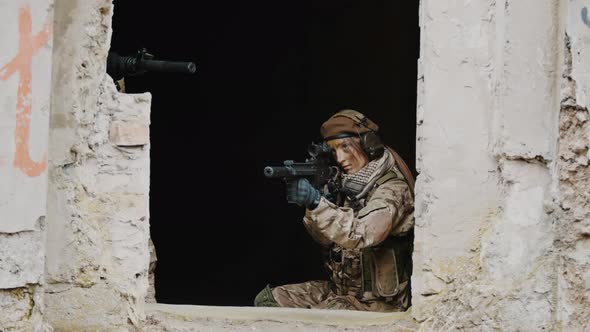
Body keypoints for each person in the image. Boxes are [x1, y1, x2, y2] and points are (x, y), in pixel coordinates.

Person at [255, 109, 415, 312]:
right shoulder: (344, 184)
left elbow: (362, 234)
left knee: (321, 318)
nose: (339, 158)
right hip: (342, 292)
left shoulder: (392, 189)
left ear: (368, 144)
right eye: (333, 150)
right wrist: (317, 205)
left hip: (378, 302)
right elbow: (325, 240)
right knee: (269, 300)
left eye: (345, 147)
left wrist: (317, 204)